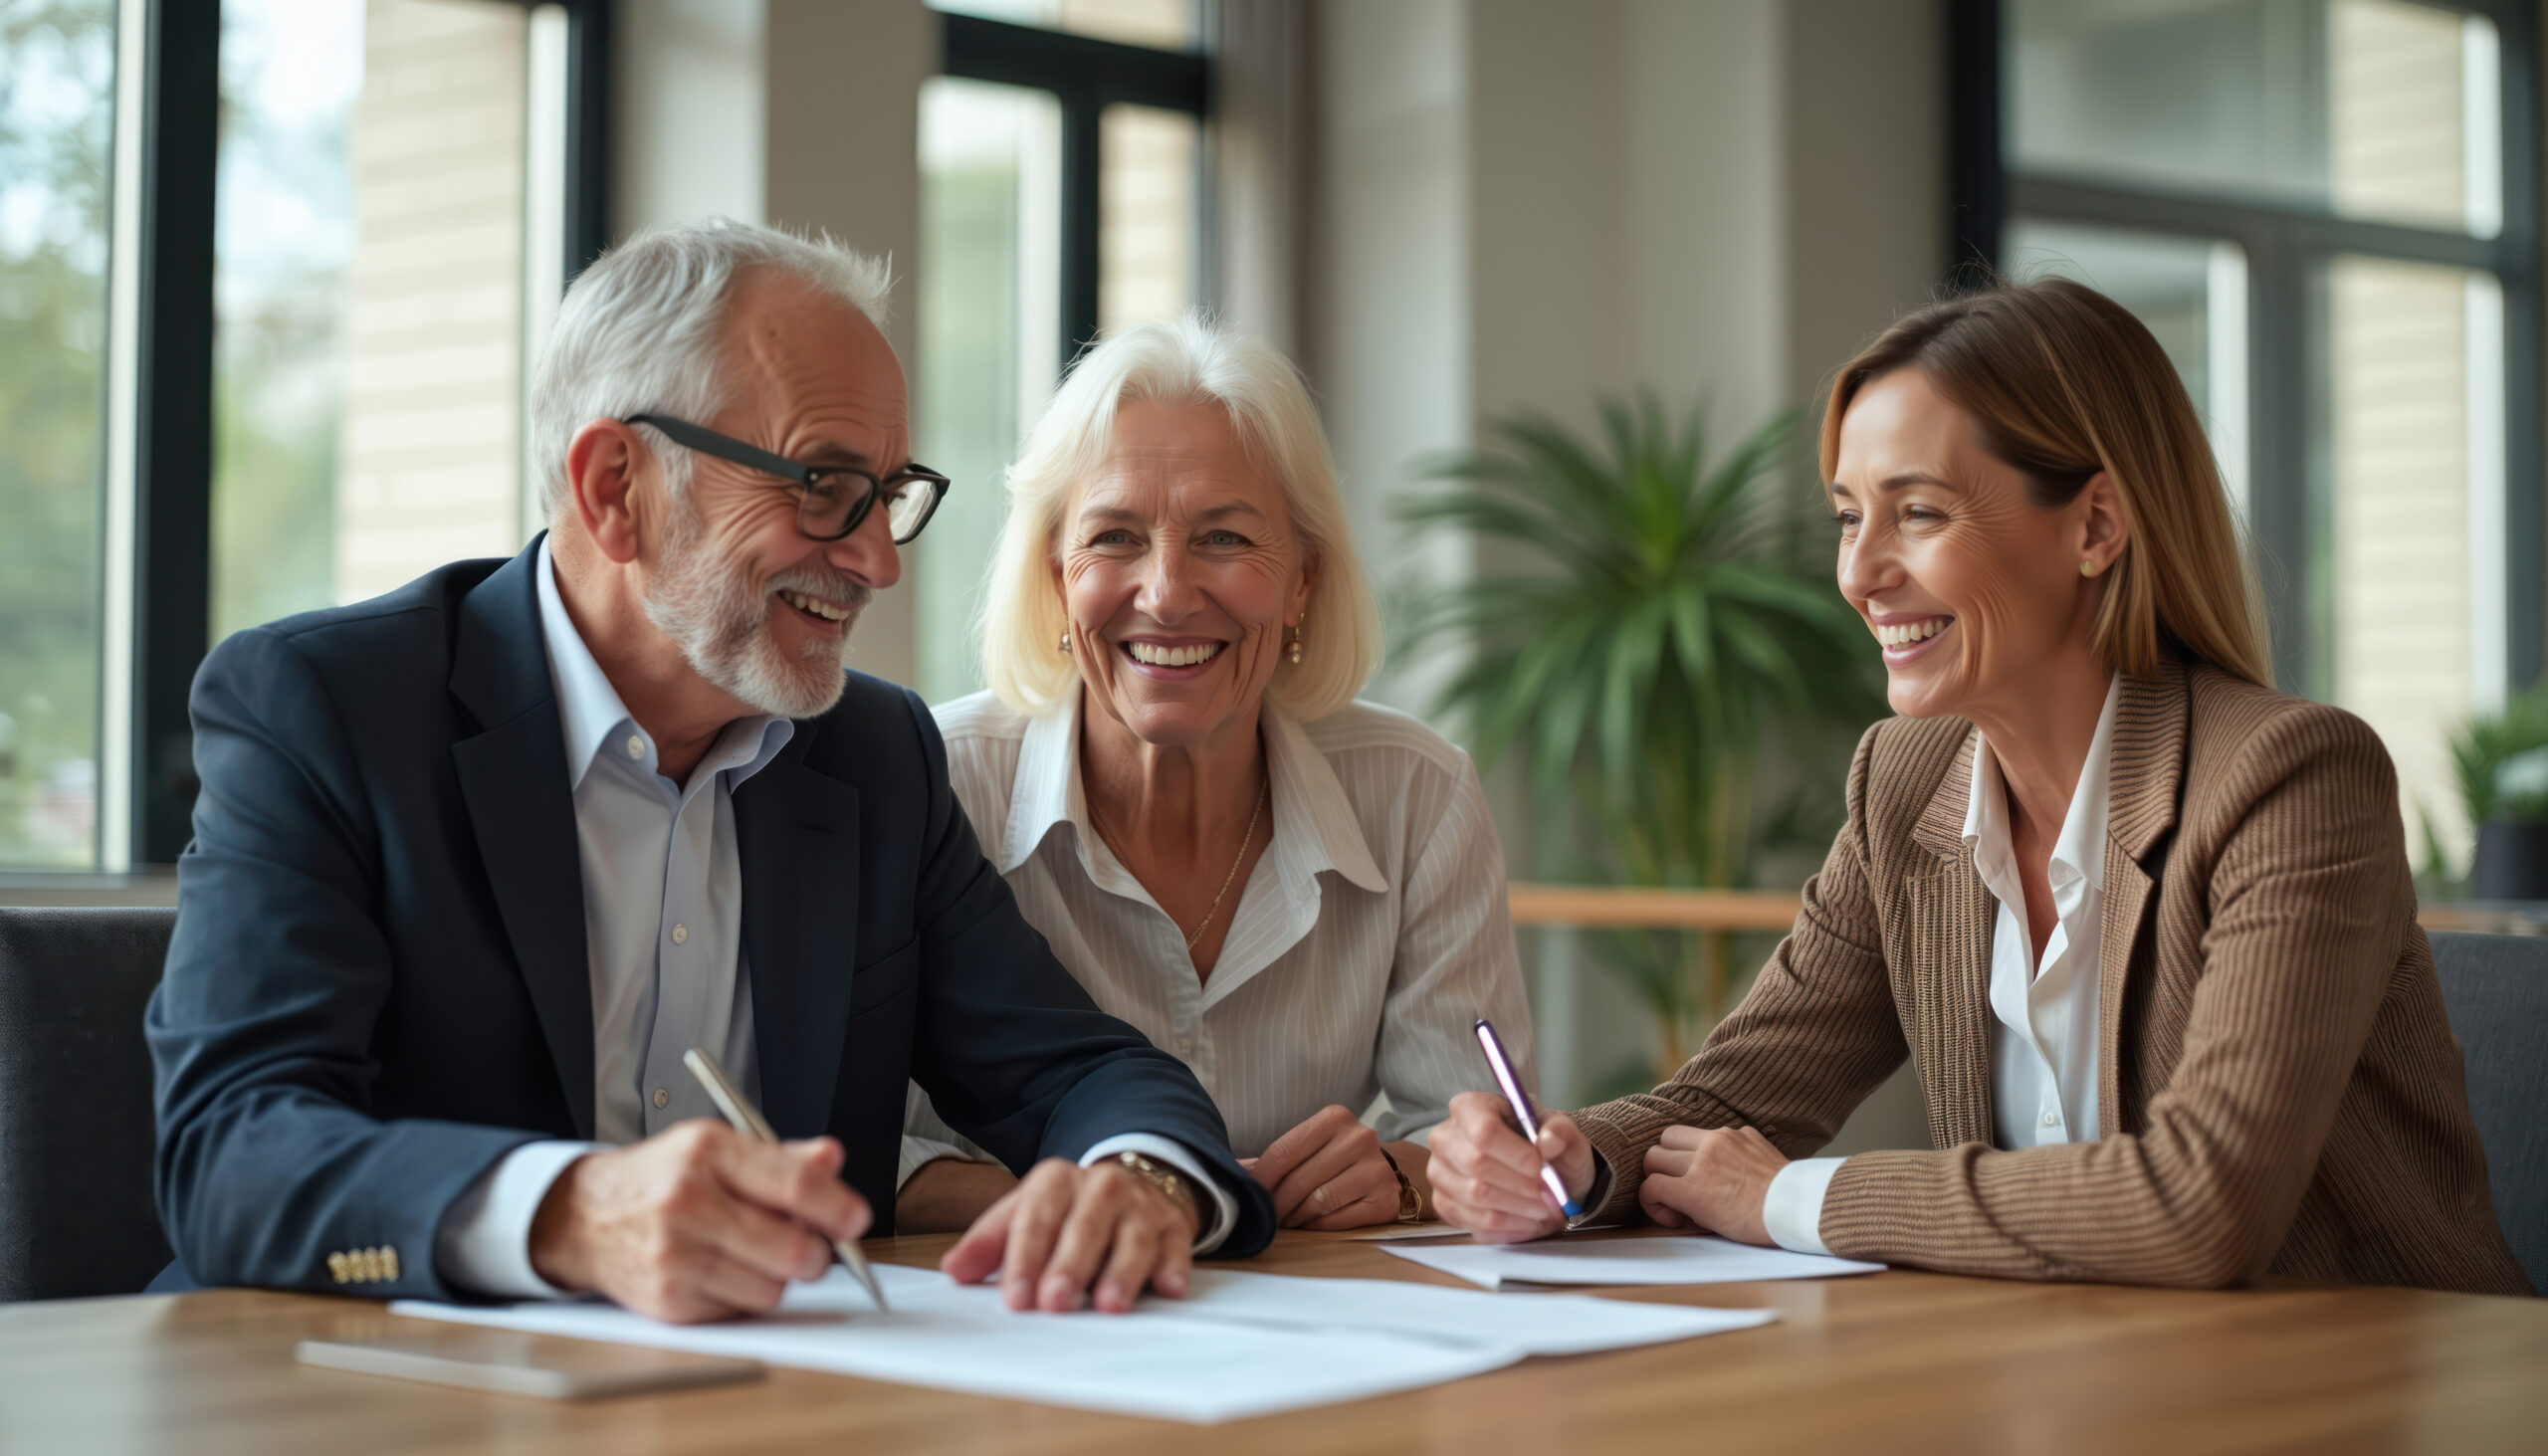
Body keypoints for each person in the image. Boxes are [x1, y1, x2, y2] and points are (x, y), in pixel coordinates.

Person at [146, 220, 1277, 1324]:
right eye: (824, 486)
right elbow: (231, 1153)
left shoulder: (873, 755)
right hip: (357, 1389)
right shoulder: (325, 710)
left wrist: (1143, 1179)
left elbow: (1078, 1068)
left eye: (888, 495)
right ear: (615, 489)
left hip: (754, 1395)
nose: (878, 559)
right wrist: (571, 1210)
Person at [1426, 278, 2531, 1296]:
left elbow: (2204, 1203)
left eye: (1916, 513)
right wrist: (1571, 1158)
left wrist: (1790, 1198)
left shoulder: (2289, 778)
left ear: (2094, 525)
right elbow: (1734, 1101)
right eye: (1848, 515)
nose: (1859, 574)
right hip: (2087, 1384)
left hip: (2375, 1388)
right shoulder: (1905, 784)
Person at [894, 315, 1535, 1234]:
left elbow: (1480, 1131)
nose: (1165, 592)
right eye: (1114, 536)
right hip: (1006, 1311)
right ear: (1054, 576)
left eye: (1225, 539)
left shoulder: (1416, 794)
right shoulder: (935, 785)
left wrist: (1405, 1173)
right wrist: (1101, 1204)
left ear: (1304, 578)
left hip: (1318, 1327)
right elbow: (846, 1138)